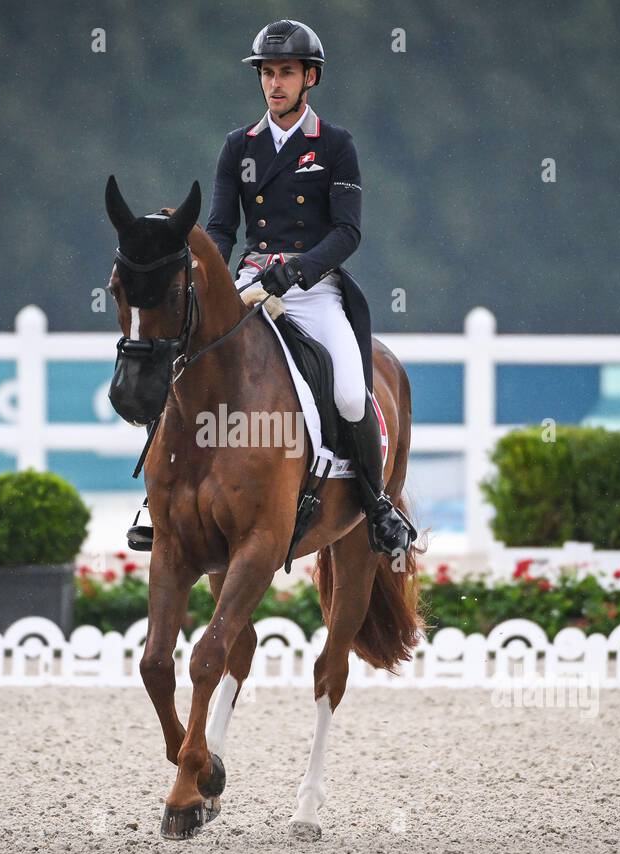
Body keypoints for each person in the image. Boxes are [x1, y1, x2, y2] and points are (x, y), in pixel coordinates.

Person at [201, 18, 415, 557]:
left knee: (347, 392)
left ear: (309, 78)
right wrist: (208, 280)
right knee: (189, 366)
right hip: (252, 283)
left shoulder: (335, 145)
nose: (275, 84)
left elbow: (348, 231)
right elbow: (223, 228)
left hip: (313, 288)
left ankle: (376, 504)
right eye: (268, 73)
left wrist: (296, 272)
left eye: (287, 73)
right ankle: (165, 500)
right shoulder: (238, 146)